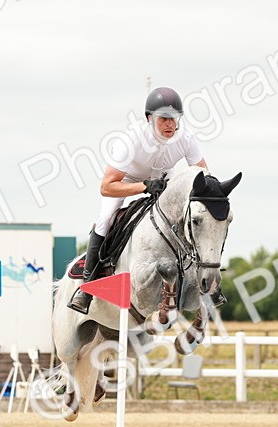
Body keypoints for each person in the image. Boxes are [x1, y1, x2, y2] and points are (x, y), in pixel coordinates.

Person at [69, 86, 219, 314]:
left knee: (191, 219)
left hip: (164, 180)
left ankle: (206, 279)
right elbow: (106, 187)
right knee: (106, 219)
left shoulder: (186, 139)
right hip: (127, 180)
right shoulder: (130, 142)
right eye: (164, 119)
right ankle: (86, 287)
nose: (170, 125)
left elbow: (202, 176)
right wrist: (143, 187)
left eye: (174, 119)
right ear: (150, 118)